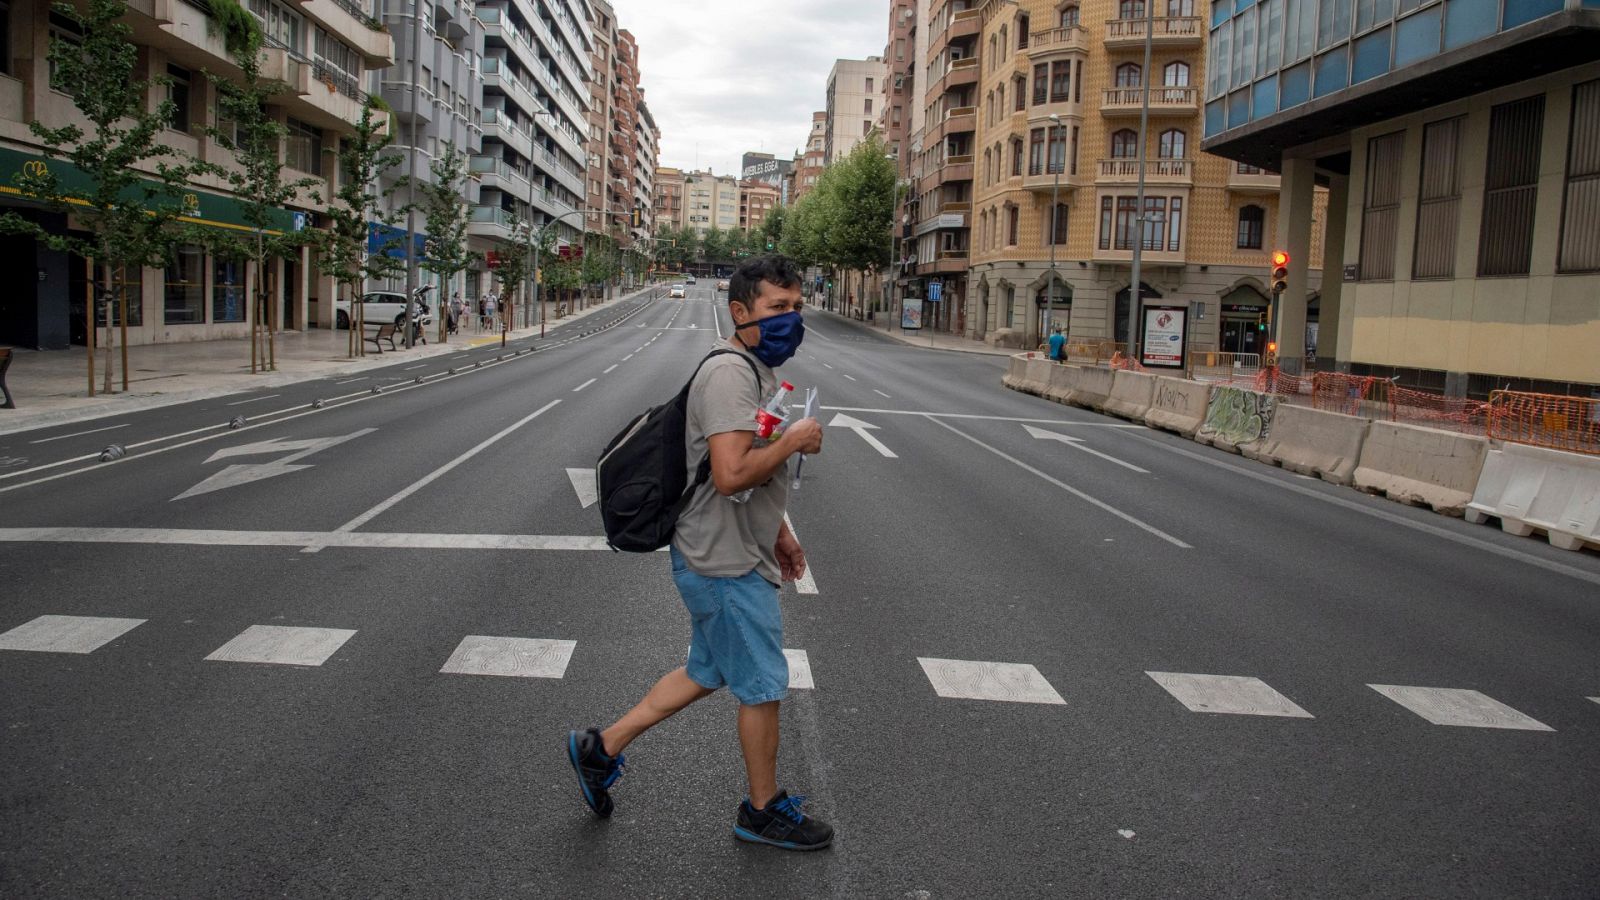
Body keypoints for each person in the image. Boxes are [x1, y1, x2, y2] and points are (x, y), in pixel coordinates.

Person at [566, 254, 833, 852]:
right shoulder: (730, 374)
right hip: (723, 560)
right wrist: (793, 440)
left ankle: (600, 749)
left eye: (797, 307)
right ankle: (762, 811)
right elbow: (732, 474)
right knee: (762, 685)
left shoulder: (754, 370)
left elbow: (737, 473)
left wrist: (780, 532)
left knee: (705, 672)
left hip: (728, 549)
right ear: (740, 312)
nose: (792, 319)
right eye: (777, 308)